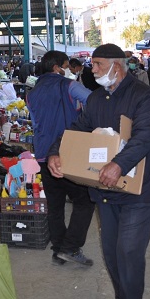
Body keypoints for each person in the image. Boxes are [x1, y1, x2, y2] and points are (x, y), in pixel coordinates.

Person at [47, 43, 150, 299]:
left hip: (137, 193)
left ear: (117, 66)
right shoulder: (97, 98)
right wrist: (56, 152)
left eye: (98, 64)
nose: (93, 69)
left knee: (129, 252)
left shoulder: (143, 95)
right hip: (105, 191)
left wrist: (119, 163)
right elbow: (77, 129)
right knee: (111, 254)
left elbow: (145, 137)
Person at [26, 51, 95, 266]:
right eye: (66, 65)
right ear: (57, 67)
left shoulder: (32, 91)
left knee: (55, 205)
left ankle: (58, 249)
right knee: (85, 201)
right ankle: (70, 247)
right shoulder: (68, 85)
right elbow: (94, 101)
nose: (68, 69)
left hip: (44, 154)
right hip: (68, 152)